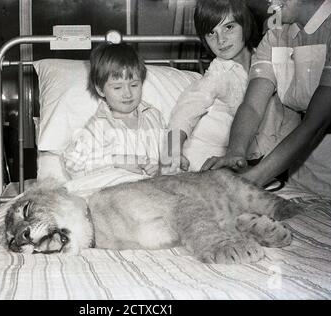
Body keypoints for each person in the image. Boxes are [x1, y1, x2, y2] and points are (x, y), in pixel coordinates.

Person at [202, 0, 331, 200]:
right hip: (297, 163)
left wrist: (254, 179)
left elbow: (316, 123)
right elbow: (252, 105)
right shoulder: (276, 32)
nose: (269, 1)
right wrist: (235, 153)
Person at [168, 0, 296, 172]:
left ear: (245, 24)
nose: (221, 40)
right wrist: (174, 150)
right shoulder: (220, 72)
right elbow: (186, 110)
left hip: (266, 158)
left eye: (229, 27)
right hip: (219, 160)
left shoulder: (267, 57)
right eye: (211, 33)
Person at [63, 42, 165, 185]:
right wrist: (115, 161)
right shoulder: (97, 128)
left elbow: (169, 157)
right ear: (100, 90)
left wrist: (159, 168)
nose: (128, 93)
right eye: (117, 87)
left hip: (154, 193)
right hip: (114, 197)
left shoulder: (154, 117)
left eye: (134, 85)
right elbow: (73, 165)